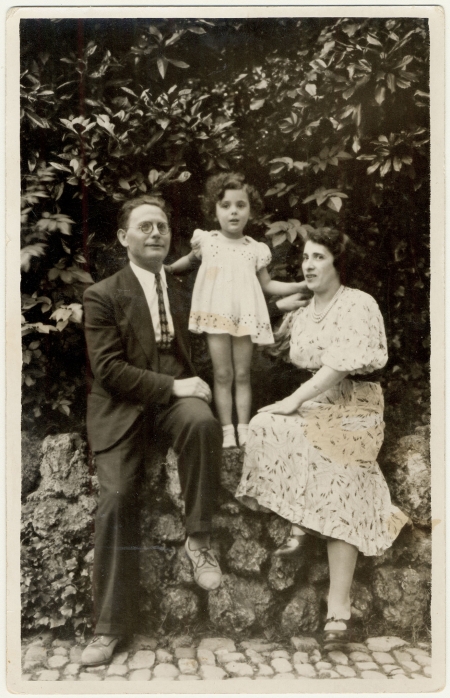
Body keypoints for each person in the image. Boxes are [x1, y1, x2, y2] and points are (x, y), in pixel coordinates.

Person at [235, 227, 410, 641]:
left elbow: (339, 368)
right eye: (306, 258)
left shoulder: (358, 304)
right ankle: (301, 521)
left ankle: (338, 609)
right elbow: (262, 341)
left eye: (318, 257)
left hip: (355, 406)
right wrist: (279, 307)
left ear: (337, 263)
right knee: (264, 425)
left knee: (342, 473)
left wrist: (293, 400)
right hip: (316, 404)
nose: (308, 265)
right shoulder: (302, 310)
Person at [81, 195, 223, 666]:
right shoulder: (102, 295)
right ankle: (108, 629)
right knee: (118, 497)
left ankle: (199, 541)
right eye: (145, 227)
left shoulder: (183, 291)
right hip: (123, 409)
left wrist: (196, 386)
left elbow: (201, 355)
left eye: (162, 226)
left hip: (171, 406)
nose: (157, 234)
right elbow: (108, 371)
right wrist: (176, 385)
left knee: (203, 425)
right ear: (124, 238)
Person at [166, 172, 308, 448]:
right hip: (216, 315)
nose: (233, 212)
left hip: (244, 318)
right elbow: (187, 261)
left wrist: (299, 284)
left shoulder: (255, 249)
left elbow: (267, 284)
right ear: (214, 210)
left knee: (242, 374)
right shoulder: (206, 241)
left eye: (240, 205)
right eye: (226, 205)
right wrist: (168, 269)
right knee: (222, 374)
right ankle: (227, 429)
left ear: (250, 211)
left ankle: (244, 427)